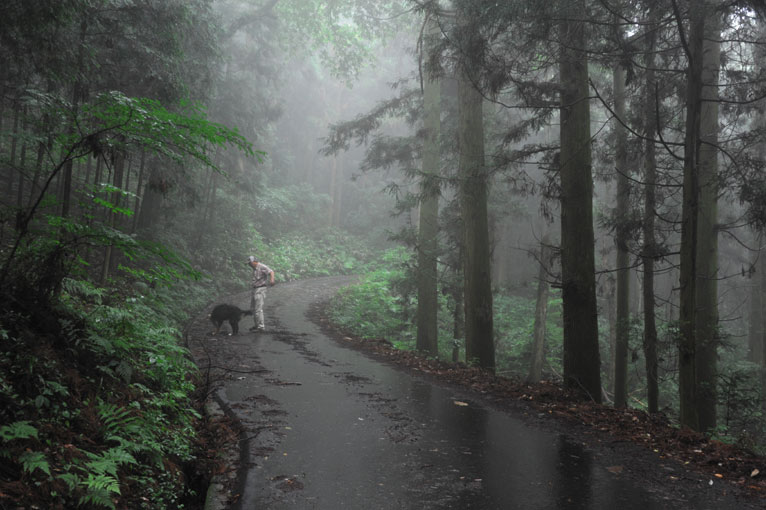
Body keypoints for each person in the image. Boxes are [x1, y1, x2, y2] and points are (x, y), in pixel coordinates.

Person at [247, 255, 275, 331]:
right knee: (252, 309)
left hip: (261, 289)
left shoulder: (261, 266)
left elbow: (271, 271)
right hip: (255, 289)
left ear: (254, 262)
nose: (249, 264)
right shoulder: (254, 268)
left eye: (250, 263)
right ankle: (256, 325)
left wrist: (272, 280)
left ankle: (260, 327)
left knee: (258, 309)